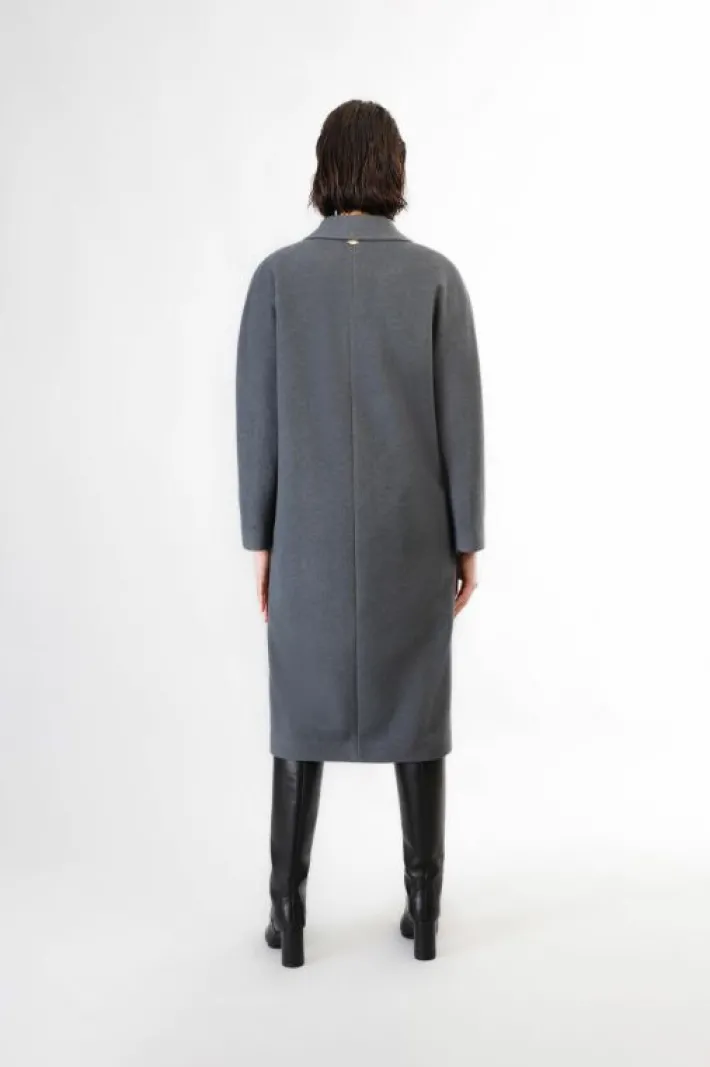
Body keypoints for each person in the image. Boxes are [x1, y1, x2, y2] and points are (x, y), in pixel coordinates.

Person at [236, 100, 485, 967]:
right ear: (394, 168)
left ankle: (289, 914)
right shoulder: (435, 279)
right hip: (410, 543)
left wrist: (261, 543)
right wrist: (467, 539)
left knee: (299, 716)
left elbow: (258, 425)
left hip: (306, 543)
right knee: (418, 711)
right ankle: (426, 911)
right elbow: (461, 425)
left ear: (324, 168)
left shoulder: (276, 279)